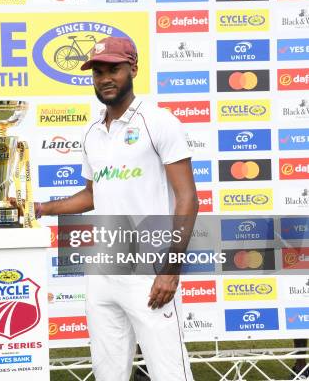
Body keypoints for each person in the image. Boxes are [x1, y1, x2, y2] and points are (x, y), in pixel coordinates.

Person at [33, 37, 198, 381]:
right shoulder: (93, 132)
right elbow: (92, 195)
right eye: (98, 72)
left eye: (114, 70)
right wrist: (43, 208)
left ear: (133, 69)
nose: (105, 78)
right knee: (108, 371)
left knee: (170, 372)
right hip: (104, 268)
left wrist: (170, 269)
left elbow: (187, 198)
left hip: (149, 270)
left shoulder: (158, 121)